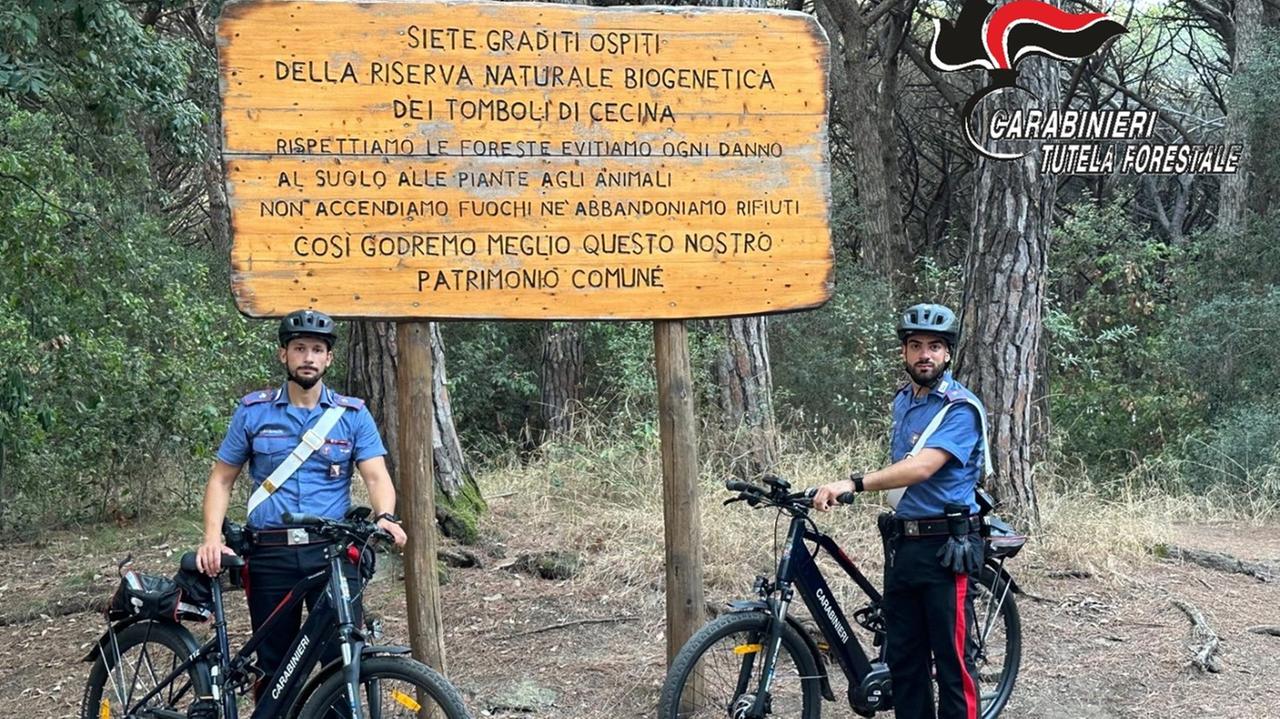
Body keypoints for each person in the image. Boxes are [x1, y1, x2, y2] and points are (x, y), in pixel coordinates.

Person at [196, 308, 407, 697]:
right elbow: (222, 478)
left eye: (316, 349)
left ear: (328, 358)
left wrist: (386, 516)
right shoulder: (253, 412)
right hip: (270, 554)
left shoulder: (351, 415)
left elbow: (376, 476)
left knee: (340, 661)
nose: (308, 357)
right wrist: (212, 537)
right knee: (274, 665)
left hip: (331, 554)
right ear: (284, 355)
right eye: (299, 348)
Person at [813, 303, 991, 719]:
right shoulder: (904, 401)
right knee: (906, 665)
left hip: (945, 549)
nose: (924, 354)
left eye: (934, 346)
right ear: (904, 353)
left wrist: (853, 483)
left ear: (947, 354)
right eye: (915, 346)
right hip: (903, 547)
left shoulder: (960, 408)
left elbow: (922, 466)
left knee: (952, 666)